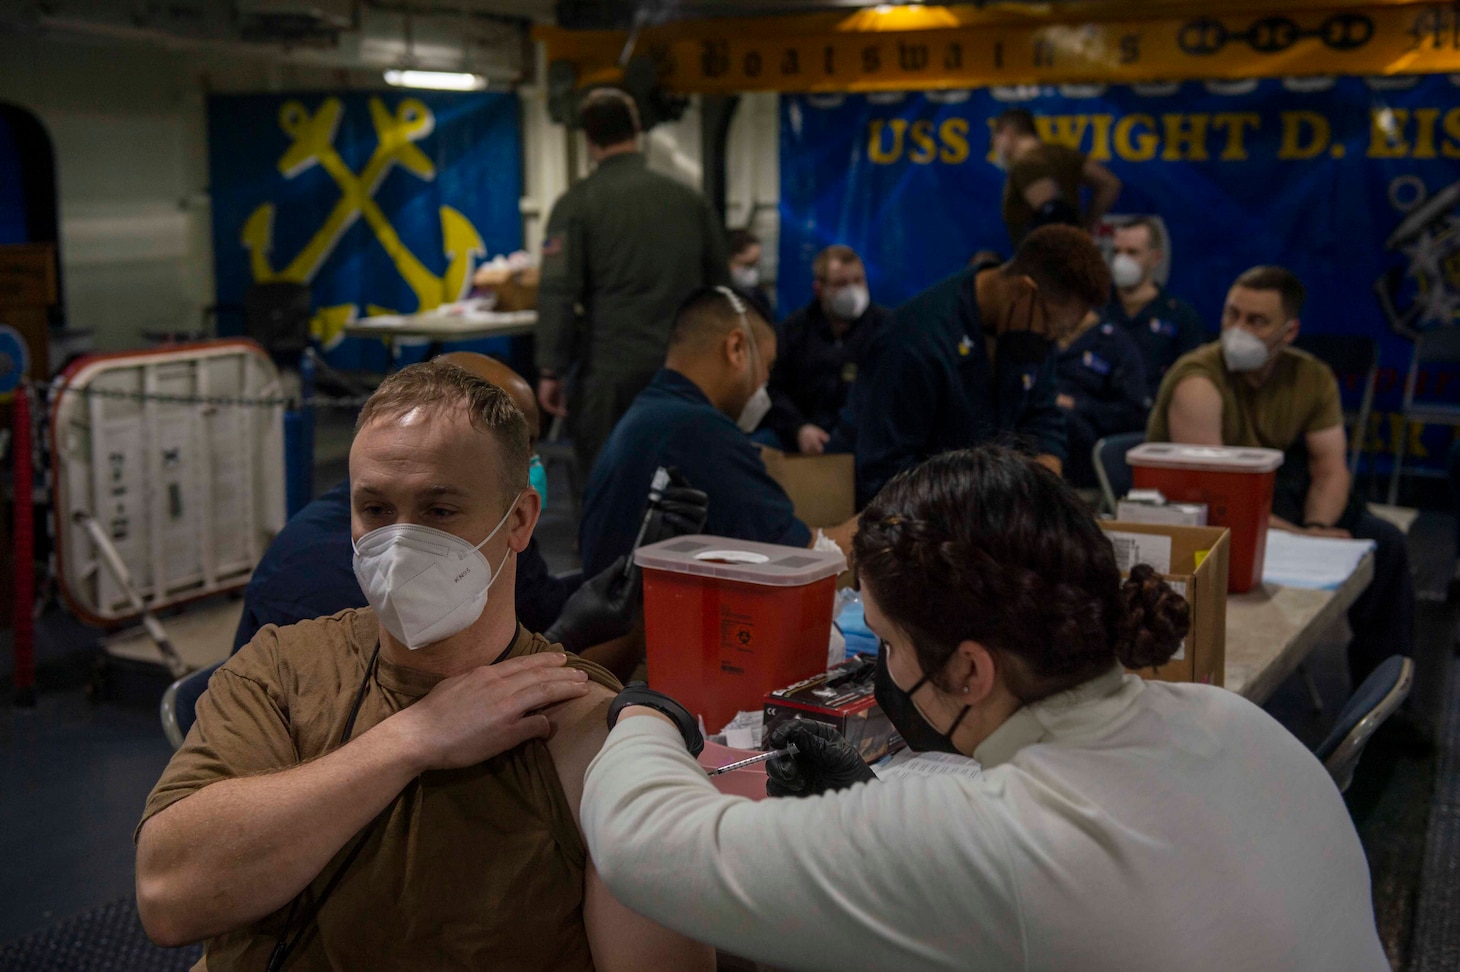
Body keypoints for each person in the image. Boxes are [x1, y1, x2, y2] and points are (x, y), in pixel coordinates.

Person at [578, 447, 1387, 971]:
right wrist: (869, 807)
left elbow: (647, 847)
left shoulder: (1005, 839)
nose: (881, 667)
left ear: (969, 669)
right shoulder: (1235, 723)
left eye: (887, 643)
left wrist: (650, 712)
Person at [136, 361, 713, 970]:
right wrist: (414, 738)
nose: (401, 542)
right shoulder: (280, 669)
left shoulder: (581, 728)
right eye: (376, 510)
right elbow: (168, 898)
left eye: (439, 511)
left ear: (519, 520)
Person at [230, 353, 690, 664]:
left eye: (527, 443)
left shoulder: (483, 518)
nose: (526, 460)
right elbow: (420, 708)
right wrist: (563, 640)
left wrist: (625, 575)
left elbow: (534, 600)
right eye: (374, 509)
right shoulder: (321, 580)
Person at [1148, 266, 1416, 688]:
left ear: (1288, 332)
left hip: (1278, 504)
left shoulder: (1311, 377)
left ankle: (1387, 708)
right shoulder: (1197, 381)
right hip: (1205, 516)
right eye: (1231, 314)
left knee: (1386, 545)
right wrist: (1305, 539)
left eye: (1256, 321)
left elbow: (1329, 468)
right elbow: (1215, 500)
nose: (1238, 329)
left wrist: (1317, 527)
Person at [580, 287, 856, 580]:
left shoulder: (651, 414)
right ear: (736, 348)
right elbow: (803, 557)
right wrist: (879, 525)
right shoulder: (699, 433)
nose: (765, 381)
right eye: (768, 365)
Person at [536, 88, 729, 476]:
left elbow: (558, 292)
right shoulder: (688, 200)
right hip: (684, 367)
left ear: (588, 139)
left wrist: (550, 369)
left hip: (610, 374)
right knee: (682, 480)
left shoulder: (576, 204)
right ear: (638, 129)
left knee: (609, 478)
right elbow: (721, 288)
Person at [852, 225, 1110, 505]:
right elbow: (884, 473)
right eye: (1053, 328)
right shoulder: (916, 341)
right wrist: (980, 502)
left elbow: (1042, 413)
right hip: (919, 518)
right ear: (1024, 291)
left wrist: (1046, 467)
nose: (1053, 341)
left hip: (990, 513)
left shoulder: (1028, 332)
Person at [761, 244, 890, 455]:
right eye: (841, 283)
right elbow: (773, 388)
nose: (853, 290)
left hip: (863, 438)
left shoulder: (885, 328)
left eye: (858, 281)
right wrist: (799, 428)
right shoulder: (794, 330)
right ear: (819, 289)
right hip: (801, 436)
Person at [1103, 217, 1205, 399]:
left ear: (1155, 257)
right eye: (1117, 252)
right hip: (1096, 415)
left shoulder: (1179, 316)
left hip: (1153, 415)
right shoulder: (1096, 308)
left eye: (1132, 252)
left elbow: (1191, 380)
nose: (1121, 260)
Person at [991, 107, 1122, 247]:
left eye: (995, 139)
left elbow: (1053, 212)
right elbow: (1109, 183)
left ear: (1007, 133)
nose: (994, 146)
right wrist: (1086, 226)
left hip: (1044, 258)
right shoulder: (1062, 154)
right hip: (1072, 251)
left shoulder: (1027, 164)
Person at [1055, 309, 1150, 488]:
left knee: (1060, 417)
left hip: (1088, 440)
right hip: (1040, 427)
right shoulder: (1042, 334)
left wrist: (1078, 405)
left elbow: (1133, 413)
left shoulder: (1116, 343)